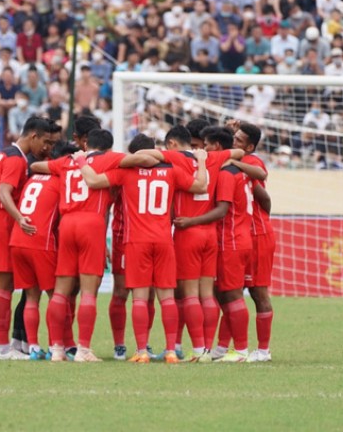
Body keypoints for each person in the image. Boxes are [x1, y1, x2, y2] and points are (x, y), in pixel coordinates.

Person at [76, 133, 208, 363]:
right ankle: (169, 351)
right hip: (165, 239)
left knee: (138, 297)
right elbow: (200, 185)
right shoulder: (171, 171)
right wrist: (203, 160)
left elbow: (94, 181)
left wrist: (80, 162)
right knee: (166, 298)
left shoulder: (126, 172)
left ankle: (141, 351)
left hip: (136, 241)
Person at [30, 128, 155, 362]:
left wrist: (68, 166)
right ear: (108, 147)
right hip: (91, 223)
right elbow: (144, 159)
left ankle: (56, 349)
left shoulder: (67, 161)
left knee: (60, 291)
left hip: (66, 224)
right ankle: (83, 350)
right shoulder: (109, 158)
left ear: (86, 145)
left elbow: (36, 167)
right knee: (89, 291)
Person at [139, 124, 246, 362]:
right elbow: (239, 153)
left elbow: (146, 155)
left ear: (173, 144)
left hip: (188, 230)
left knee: (189, 295)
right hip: (210, 234)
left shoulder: (173, 157)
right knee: (207, 294)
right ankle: (207, 349)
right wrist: (208, 158)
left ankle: (198, 350)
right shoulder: (214, 157)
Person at [0, 116, 59, 361]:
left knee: (3, 287)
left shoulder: (5, 153)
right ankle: (3, 349)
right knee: (4, 287)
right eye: (45, 142)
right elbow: (1, 193)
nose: (46, 149)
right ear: (33, 136)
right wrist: (19, 217)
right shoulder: (16, 159)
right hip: (1, 222)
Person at [10, 140, 78, 360]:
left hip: (18, 239)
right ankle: (55, 346)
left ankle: (33, 348)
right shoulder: (61, 180)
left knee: (31, 297)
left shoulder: (33, 177)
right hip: (41, 241)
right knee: (56, 296)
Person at [199, 126, 253, 362]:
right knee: (225, 295)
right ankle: (222, 348)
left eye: (206, 145)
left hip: (231, 240)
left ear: (218, 148)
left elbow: (222, 210)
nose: (203, 149)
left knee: (232, 296)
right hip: (238, 238)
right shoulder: (238, 171)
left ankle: (241, 350)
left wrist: (191, 221)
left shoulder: (227, 174)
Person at [231, 122, 275, 362]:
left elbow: (265, 196)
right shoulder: (233, 158)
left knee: (258, 292)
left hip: (258, 236)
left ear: (249, 147)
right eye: (233, 138)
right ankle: (233, 347)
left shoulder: (251, 162)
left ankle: (263, 350)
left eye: (239, 140)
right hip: (240, 237)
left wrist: (260, 222)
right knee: (231, 291)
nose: (234, 142)